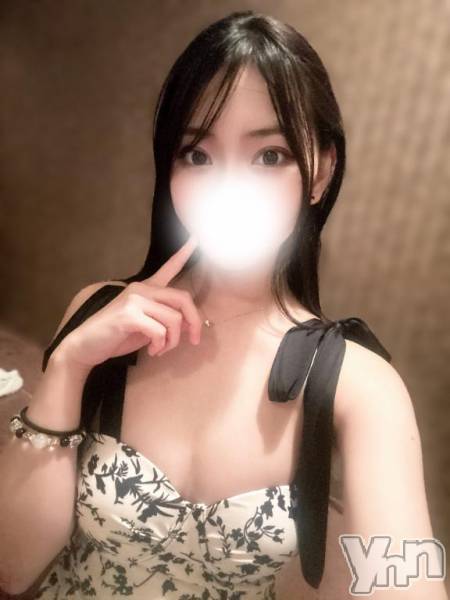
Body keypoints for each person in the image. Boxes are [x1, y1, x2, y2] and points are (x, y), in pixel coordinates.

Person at [0, 10, 446, 600]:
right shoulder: (99, 315)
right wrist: (68, 366)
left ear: (321, 171)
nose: (228, 186)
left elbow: (408, 578)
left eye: (270, 156)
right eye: (198, 155)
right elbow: (12, 568)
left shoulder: (358, 385)